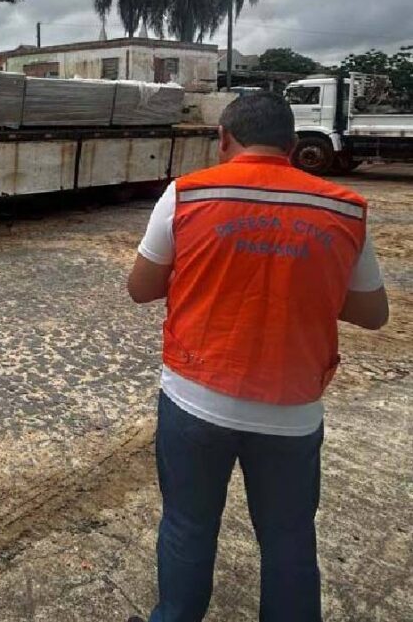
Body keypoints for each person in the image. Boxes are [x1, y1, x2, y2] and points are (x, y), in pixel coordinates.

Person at [126, 92, 388, 622]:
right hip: (292, 412)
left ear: (223, 139)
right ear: (292, 146)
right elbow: (373, 314)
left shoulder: (186, 194)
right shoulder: (344, 208)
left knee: (187, 525)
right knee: (289, 537)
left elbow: (141, 288)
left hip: (194, 398)